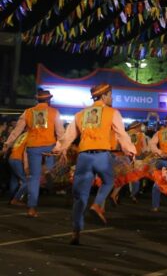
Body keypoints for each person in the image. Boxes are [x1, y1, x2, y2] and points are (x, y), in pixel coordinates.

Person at [52, 83, 136, 245]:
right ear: (104, 96)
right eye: (110, 95)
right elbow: (121, 135)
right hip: (101, 155)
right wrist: (130, 150)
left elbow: (68, 136)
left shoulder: (80, 114)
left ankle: (76, 232)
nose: (112, 98)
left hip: (83, 157)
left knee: (80, 198)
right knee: (109, 181)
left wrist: (57, 148)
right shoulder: (112, 113)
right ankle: (98, 205)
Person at [2, 90, 64, 218]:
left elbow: (17, 131)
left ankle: (31, 208)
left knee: (34, 178)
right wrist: (60, 148)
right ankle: (48, 169)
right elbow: (60, 133)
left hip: (33, 147)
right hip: (49, 146)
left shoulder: (28, 112)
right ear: (49, 100)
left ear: (37, 100)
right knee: (49, 166)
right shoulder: (54, 113)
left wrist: (7, 144)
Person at [109, 121, 150, 205]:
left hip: (123, 157)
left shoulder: (124, 134)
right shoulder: (141, 135)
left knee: (121, 177)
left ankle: (117, 195)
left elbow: (118, 146)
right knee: (135, 178)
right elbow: (145, 149)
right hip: (136, 158)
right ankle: (133, 195)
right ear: (137, 127)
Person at [6, 132, 29, 205]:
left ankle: (12, 198)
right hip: (17, 159)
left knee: (14, 179)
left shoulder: (22, 134)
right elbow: (26, 152)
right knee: (26, 182)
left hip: (11, 158)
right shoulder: (31, 135)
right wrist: (26, 167)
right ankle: (16, 199)